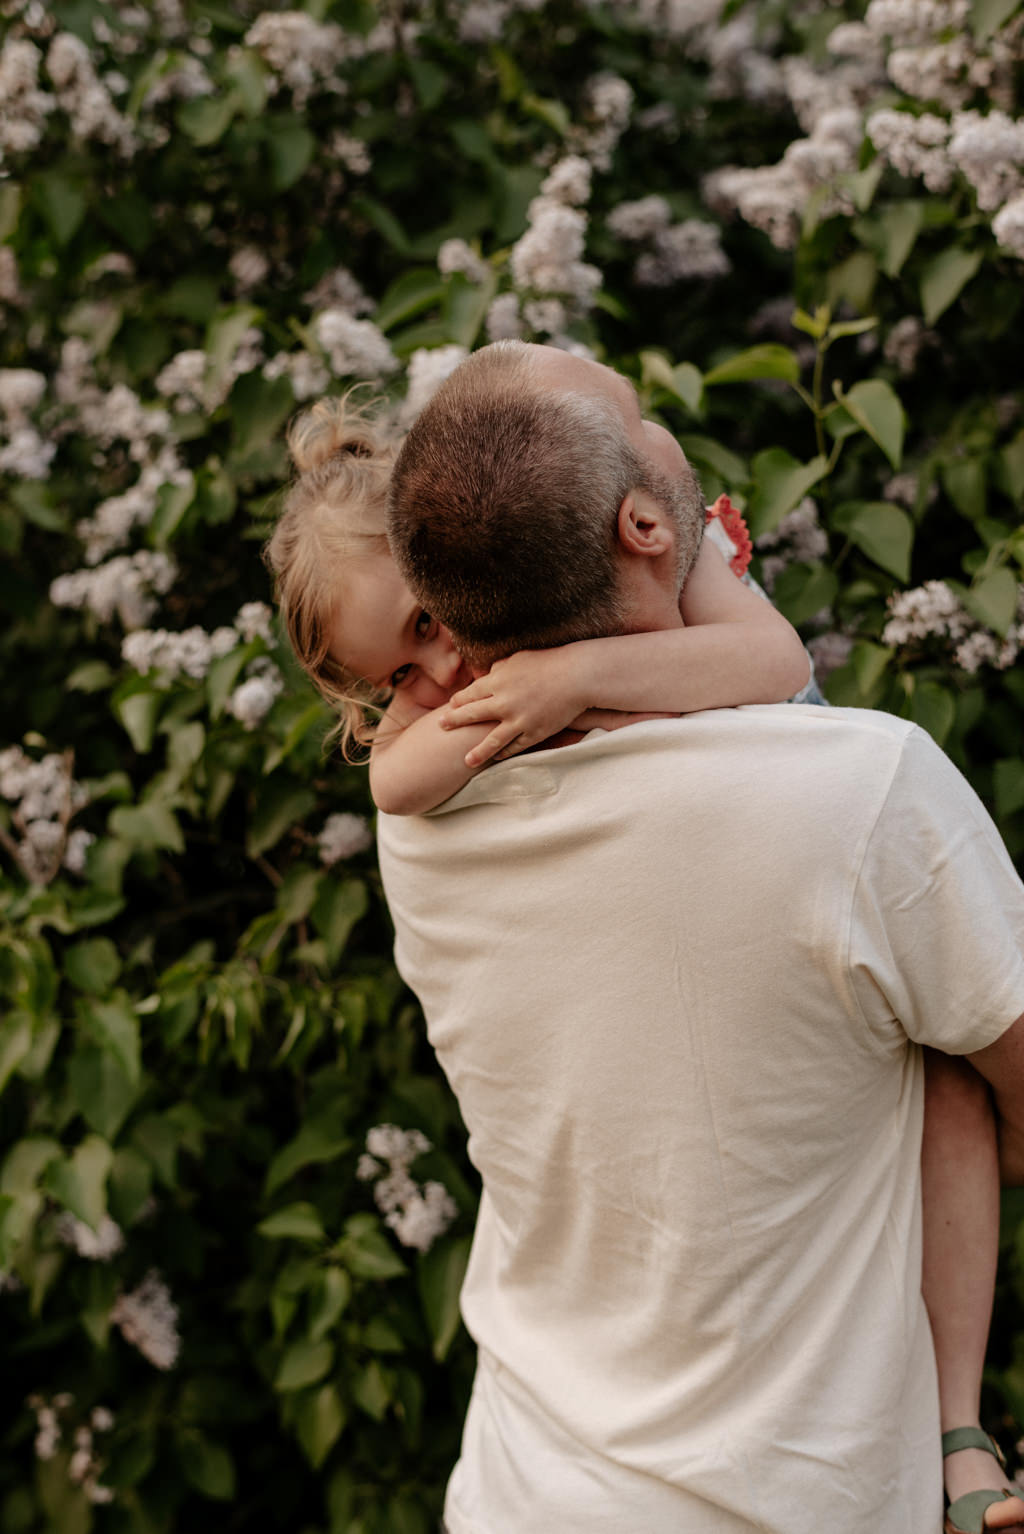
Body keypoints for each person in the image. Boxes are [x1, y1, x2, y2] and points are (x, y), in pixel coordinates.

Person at [366, 339, 1024, 1534]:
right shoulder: (862, 791)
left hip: (526, 1493)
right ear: (643, 528)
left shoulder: (428, 828)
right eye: (635, 412)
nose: (663, 422)